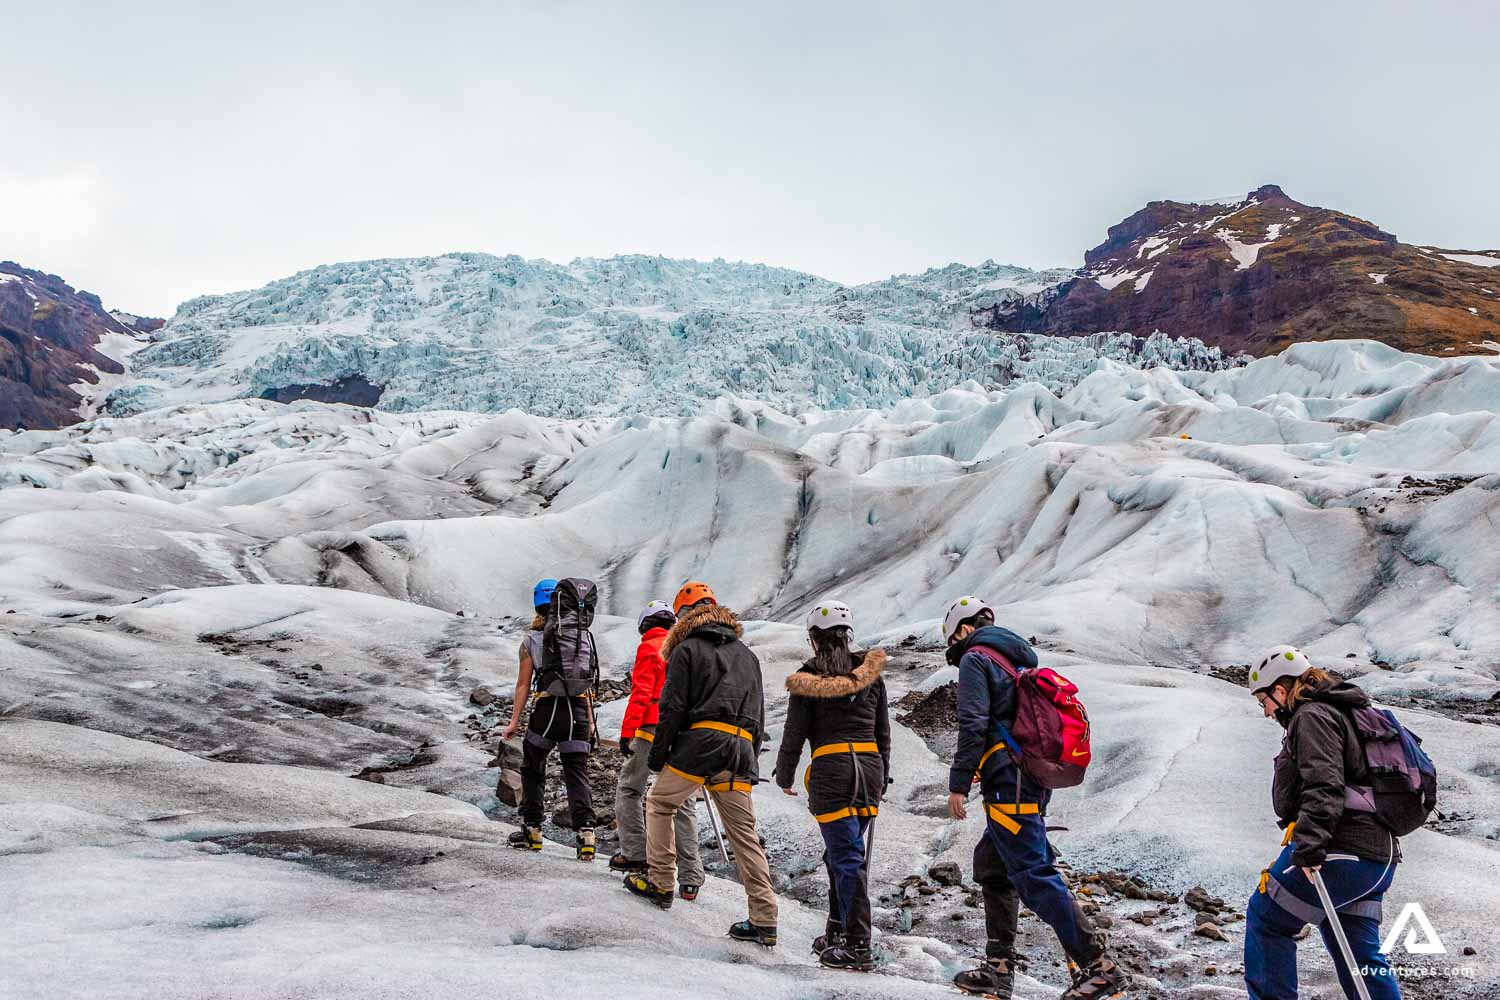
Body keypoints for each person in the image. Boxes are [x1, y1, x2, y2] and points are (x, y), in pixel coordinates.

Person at [944, 596, 1125, 1000]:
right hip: (1026, 778)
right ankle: (998, 969)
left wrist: (959, 783)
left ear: (962, 629)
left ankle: (1100, 967)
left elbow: (973, 722)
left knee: (1032, 873)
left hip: (1008, 781)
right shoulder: (1018, 660)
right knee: (993, 865)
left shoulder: (977, 659)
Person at [623, 581, 779, 947]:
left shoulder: (686, 649)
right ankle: (765, 918)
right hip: (739, 748)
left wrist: (661, 756)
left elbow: (672, 708)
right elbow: (758, 712)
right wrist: (748, 755)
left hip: (701, 743)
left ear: (682, 616)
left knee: (660, 803)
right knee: (744, 834)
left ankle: (661, 882)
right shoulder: (747, 654)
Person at [1243, 646, 1403, 1000]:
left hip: (1341, 852)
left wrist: (1310, 847)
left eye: (1264, 701)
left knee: (1266, 917)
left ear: (1281, 690)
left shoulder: (1312, 716)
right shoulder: (1343, 710)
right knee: (1358, 952)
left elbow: (1324, 784)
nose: (1267, 711)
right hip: (1375, 858)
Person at [774, 601, 890, 972]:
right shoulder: (872, 675)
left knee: (845, 857)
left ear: (813, 639)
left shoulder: (808, 678)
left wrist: (785, 775)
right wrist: (882, 775)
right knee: (843, 853)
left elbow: (795, 734)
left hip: (833, 771)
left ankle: (858, 944)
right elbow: (882, 732)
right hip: (868, 769)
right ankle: (838, 929)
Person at [610, 600, 707, 901]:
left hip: (651, 727)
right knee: (683, 801)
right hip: (684, 731)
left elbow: (641, 693)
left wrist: (627, 732)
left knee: (630, 789)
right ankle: (691, 877)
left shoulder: (649, 647)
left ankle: (636, 854)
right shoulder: (687, 648)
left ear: (644, 625)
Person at [502, 578, 597, 861]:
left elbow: (523, 684)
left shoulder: (532, 639)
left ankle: (532, 830)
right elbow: (585, 682)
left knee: (533, 766)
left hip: (547, 710)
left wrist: (514, 722)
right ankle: (586, 835)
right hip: (577, 711)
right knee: (576, 772)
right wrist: (590, 720)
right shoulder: (581, 636)